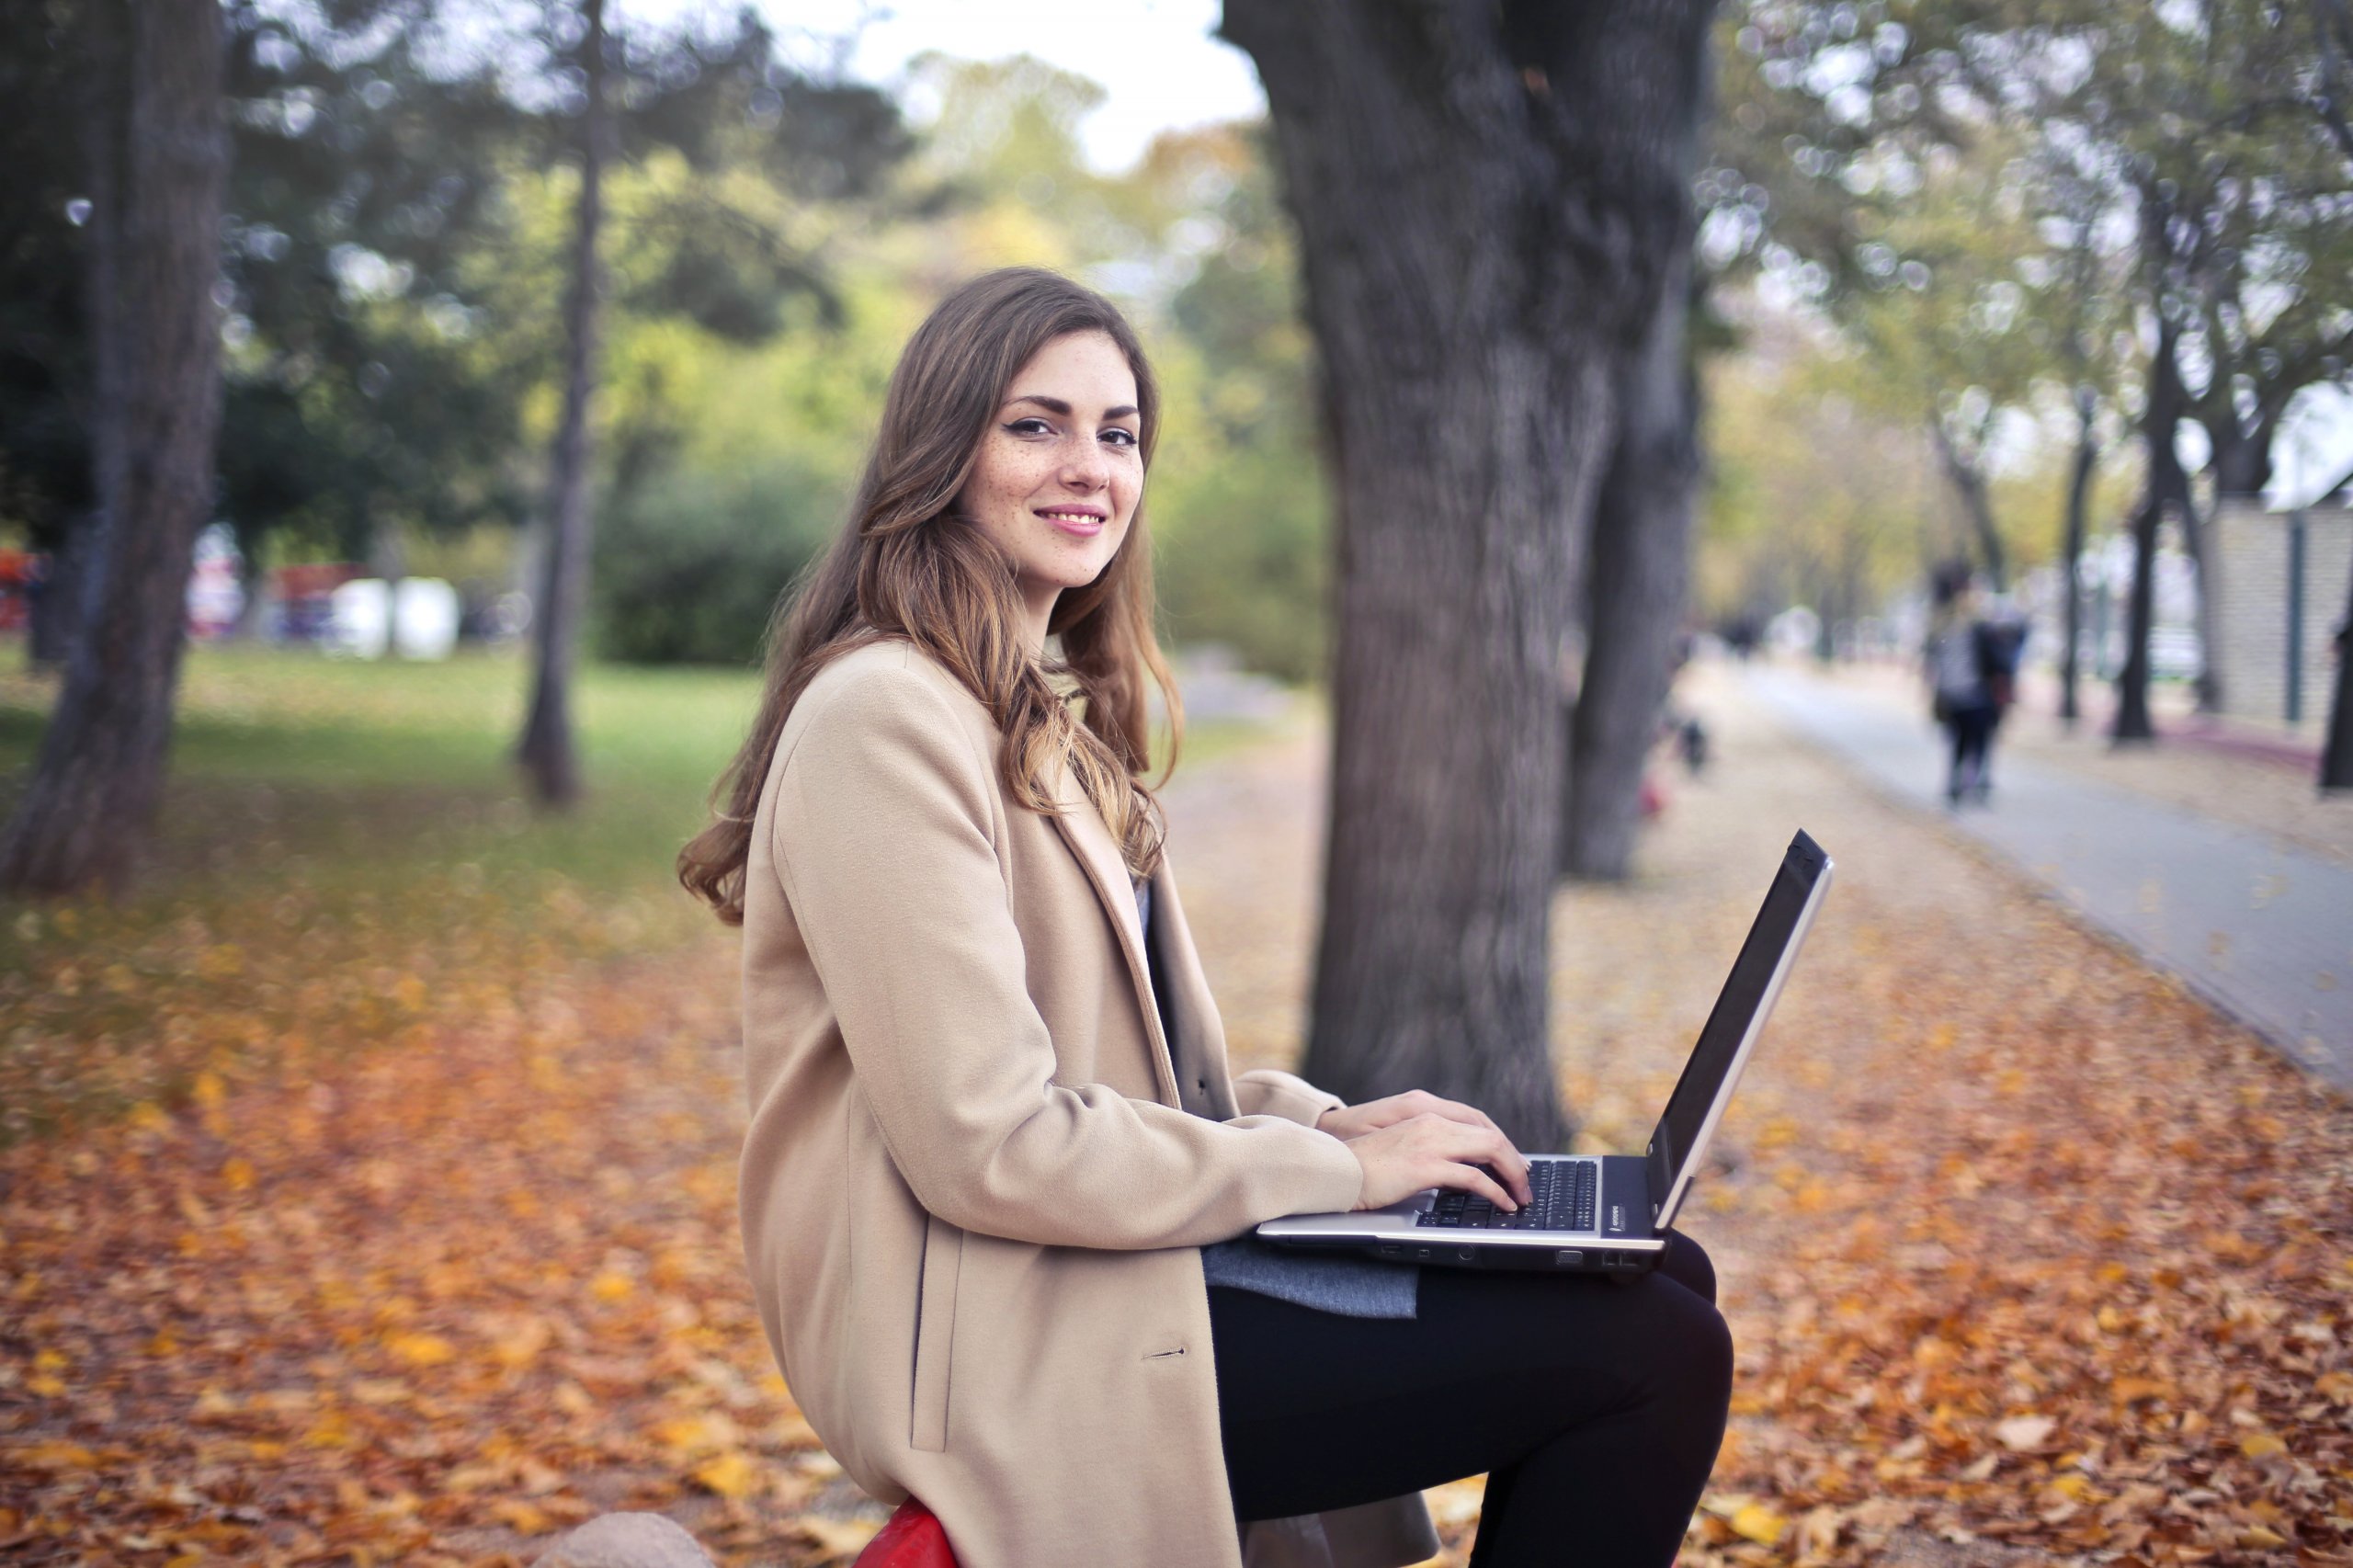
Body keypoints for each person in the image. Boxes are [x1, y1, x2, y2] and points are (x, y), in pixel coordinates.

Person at [679, 267, 1732, 1568]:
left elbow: (1149, 1084)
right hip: (992, 1337)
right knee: (1655, 1348)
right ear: (941, 449)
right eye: (1037, 423)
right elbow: (989, 1140)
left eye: (1118, 433)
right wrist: (1343, 1179)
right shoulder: (885, 717)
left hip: (1096, 1271)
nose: (1090, 467)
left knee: (1658, 1273)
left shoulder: (1027, 711)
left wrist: (1336, 1123)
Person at [1924, 561, 2017, 806]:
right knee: (1970, 739)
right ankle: (1968, 781)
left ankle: (1968, 781)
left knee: (1969, 739)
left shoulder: (1970, 627)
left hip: (1972, 692)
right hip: (1966, 694)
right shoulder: (1965, 627)